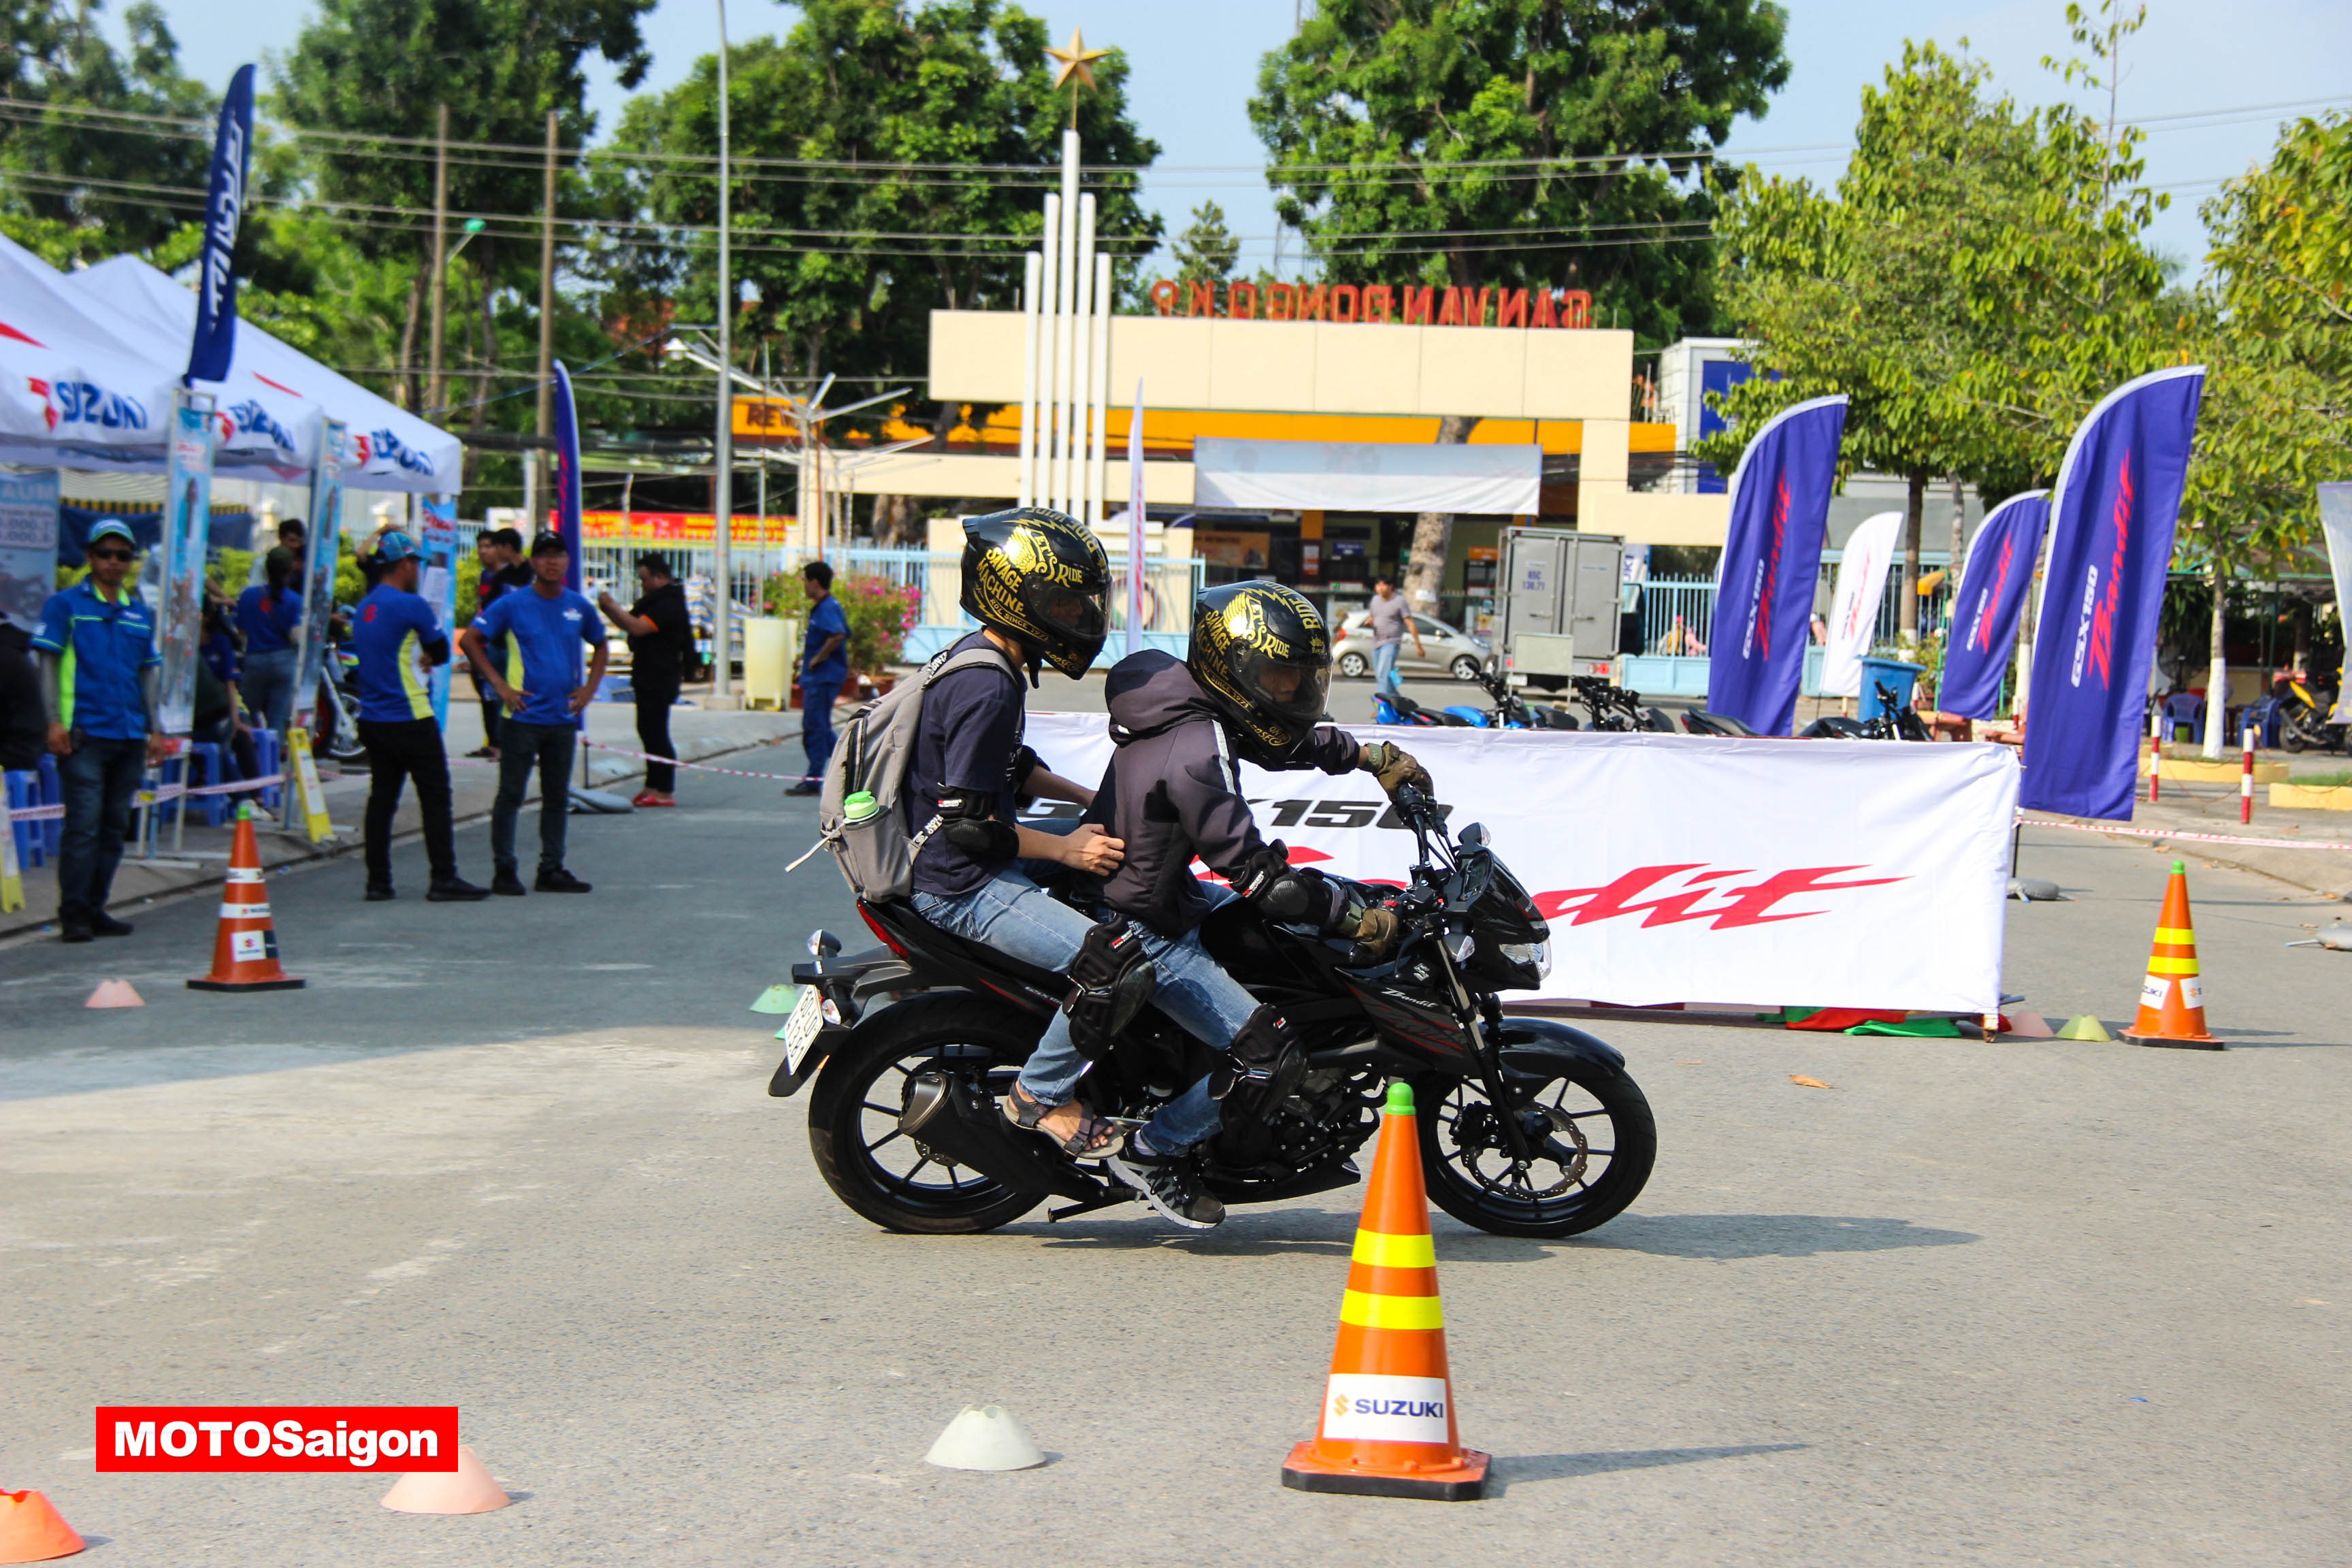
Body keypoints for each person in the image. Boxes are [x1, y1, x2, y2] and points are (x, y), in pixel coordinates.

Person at [1081, 581, 1427, 1228]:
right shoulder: (1197, 749)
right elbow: (1262, 878)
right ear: (1234, 667)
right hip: (1146, 926)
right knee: (1272, 1051)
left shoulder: (1189, 704)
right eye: (1279, 677)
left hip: (1158, 895)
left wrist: (1367, 755)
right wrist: (1355, 918)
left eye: (1302, 678)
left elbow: (1283, 741)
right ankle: (1154, 1150)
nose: (1292, 692)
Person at [905, 508, 1141, 1160]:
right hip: (957, 884)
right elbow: (971, 827)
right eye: (1063, 601)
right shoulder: (987, 686)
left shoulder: (984, 658)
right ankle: (1041, 1096)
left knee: (1108, 846)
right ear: (1017, 597)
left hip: (959, 861)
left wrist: (1088, 801)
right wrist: (1065, 849)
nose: (1079, 615)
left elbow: (1009, 767)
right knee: (1115, 967)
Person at [32, 521, 169, 942]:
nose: (114, 562)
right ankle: (73, 912)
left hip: (128, 735)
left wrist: (155, 730)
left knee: (114, 827)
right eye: (106, 553)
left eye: (123, 555)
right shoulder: (65, 605)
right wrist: (53, 721)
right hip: (84, 735)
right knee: (84, 827)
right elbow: (47, 665)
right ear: (90, 557)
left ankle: (95, 907)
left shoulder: (139, 612)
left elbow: (147, 674)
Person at [459, 530, 607, 896]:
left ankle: (551, 868)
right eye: (544, 555)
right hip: (522, 717)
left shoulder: (578, 606)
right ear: (534, 561)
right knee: (511, 794)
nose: (552, 561)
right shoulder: (512, 604)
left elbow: (601, 644)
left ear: (567, 561)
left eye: (559, 554)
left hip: (562, 718)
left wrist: (589, 689)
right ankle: (504, 870)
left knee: (557, 796)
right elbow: (470, 640)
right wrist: (500, 685)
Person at [349, 530, 490, 903]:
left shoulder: (365, 607)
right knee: (435, 797)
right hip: (410, 714)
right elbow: (441, 651)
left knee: (382, 799)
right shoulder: (412, 605)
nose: (418, 571)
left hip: (373, 717)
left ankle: (378, 882)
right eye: (415, 564)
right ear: (405, 564)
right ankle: (443, 877)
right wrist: (428, 655)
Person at [597, 552, 692, 807]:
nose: (643, 585)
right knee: (647, 730)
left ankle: (664, 789)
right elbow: (632, 624)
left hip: (660, 676)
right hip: (648, 674)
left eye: (644, 579)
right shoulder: (657, 601)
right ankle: (652, 785)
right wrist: (612, 611)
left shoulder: (667, 603)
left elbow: (638, 627)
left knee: (656, 732)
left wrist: (612, 608)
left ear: (659, 577)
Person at [785, 559, 852, 797]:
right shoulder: (825, 607)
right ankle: (846, 770)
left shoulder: (827, 608)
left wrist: (817, 659)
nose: (804, 585)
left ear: (815, 582)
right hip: (819, 677)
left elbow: (838, 634)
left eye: (805, 581)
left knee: (817, 726)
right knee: (817, 726)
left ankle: (834, 773)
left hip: (824, 677)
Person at [466, 527, 532, 760]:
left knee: (522, 694)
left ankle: (522, 745)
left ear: (507, 547)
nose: (489, 551)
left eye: (494, 546)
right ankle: (500, 744)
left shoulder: (531, 574)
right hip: (497, 645)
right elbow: (487, 608)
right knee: (497, 697)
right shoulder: (501, 578)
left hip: (521, 647)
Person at [195, 598, 261, 800]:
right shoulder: (183, 645)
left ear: (206, 617)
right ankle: (239, 797)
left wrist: (235, 719)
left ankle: (255, 796)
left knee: (240, 736)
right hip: (199, 716)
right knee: (212, 742)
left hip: (226, 709)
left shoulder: (220, 642)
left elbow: (230, 685)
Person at [235, 546, 304, 736]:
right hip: (284, 662)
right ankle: (274, 751)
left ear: (266, 569)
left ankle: (247, 747)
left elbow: (241, 631)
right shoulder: (295, 600)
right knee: (278, 718)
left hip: (254, 661)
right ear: (290, 570)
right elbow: (296, 636)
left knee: (246, 712)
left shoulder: (247, 596)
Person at [1367, 576, 1422, 704]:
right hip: (1376, 643)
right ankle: (1401, 702)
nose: (1380, 588)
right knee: (1381, 676)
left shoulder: (1399, 601)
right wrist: (1370, 622)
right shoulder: (1375, 600)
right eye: (1378, 585)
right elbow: (1372, 617)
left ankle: (1381, 704)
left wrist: (1418, 645)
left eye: (1383, 585)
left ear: (1390, 586)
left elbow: (1410, 622)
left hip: (1391, 643)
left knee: (1383, 675)